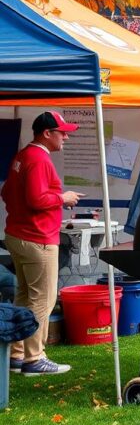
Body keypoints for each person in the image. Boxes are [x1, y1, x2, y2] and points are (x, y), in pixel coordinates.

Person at [1, 111, 83, 375]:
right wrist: (62, 198)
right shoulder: (38, 159)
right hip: (37, 239)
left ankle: (16, 354)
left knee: (24, 296)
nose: (66, 137)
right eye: (62, 132)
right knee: (43, 299)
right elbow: (37, 200)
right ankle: (34, 358)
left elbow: (6, 192)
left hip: (17, 235)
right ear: (47, 134)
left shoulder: (22, 155)